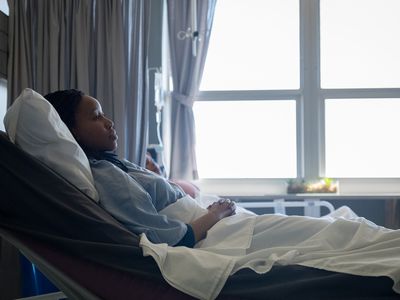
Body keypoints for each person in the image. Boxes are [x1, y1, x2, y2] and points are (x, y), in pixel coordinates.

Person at [44, 89, 236, 248]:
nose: (109, 123)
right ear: (72, 131)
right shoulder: (105, 177)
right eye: (96, 117)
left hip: (208, 226)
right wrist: (216, 214)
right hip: (204, 238)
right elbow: (175, 239)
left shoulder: (113, 164)